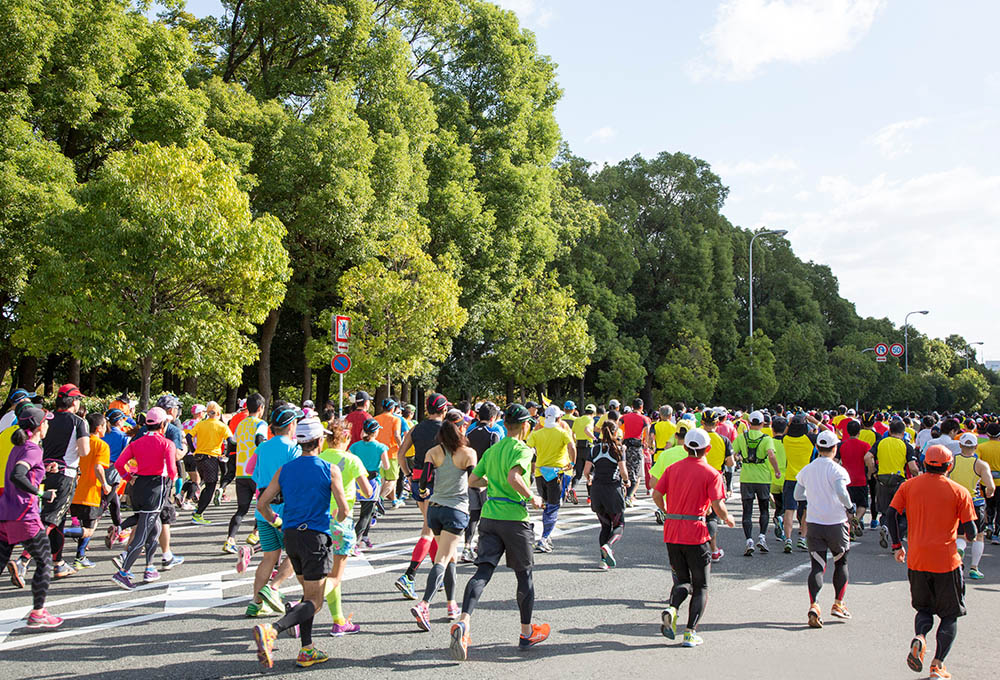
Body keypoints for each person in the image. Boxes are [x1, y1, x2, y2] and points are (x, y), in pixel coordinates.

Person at [449, 404, 548, 661]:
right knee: (524, 575)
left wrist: (492, 482)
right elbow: (515, 477)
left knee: (483, 570)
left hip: (490, 516)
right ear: (526, 426)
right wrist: (532, 496)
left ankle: (464, 621)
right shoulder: (523, 449)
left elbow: (472, 481)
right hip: (515, 518)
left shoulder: (493, 451)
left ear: (505, 424)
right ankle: (526, 633)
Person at [251, 416, 351, 669]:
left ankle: (306, 649)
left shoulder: (286, 469)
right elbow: (344, 509)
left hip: (291, 536)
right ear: (319, 441)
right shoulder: (330, 469)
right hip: (316, 537)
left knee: (308, 595)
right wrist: (337, 522)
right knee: (315, 601)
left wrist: (276, 520)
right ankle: (272, 630)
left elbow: (262, 504)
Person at [887, 445, 977, 680]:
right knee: (950, 615)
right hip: (947, 562)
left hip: (917, 560)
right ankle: (937, 664)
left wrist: (897, 545)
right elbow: (972, 532)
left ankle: (920, 637)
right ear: (949, 466)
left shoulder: (908, 486)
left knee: (924, 609)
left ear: (925, 463)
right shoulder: (959, 491)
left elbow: (891, 514)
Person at [655, 428, 735, 648]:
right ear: (707, 449)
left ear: (685, 447)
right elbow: (718, 505)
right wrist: (728, 519)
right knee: (701, 586)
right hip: (696, 531)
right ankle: (690, 633)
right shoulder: (711, 473)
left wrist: (667, 510)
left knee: (682, 580)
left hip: (672, 531)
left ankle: (672, 608)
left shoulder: (672, 469)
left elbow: (655, 493)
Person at [410, 416, 477, 630]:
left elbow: (424, 480)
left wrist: (423, 491)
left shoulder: (433, 452)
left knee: (451, 558)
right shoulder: (468, 454)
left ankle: (451, 604)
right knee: (443, 558)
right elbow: (473, 481)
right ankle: (425, 603)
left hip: (435, 509)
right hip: (456, 510)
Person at [0, 407, 63, 627]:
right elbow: (18, 475)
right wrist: (41, 493)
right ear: (38, 426)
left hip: (5, 512)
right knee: (45, 561)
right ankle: (38, 612)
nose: (48, 425)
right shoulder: (33, 449)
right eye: (46, 422)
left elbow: (22, 470)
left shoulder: (20, 447)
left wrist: (44, 469)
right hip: (24, 514)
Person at [244, 403, 304, 618]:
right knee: (296, 554)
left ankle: (255, 602)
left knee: (269, 556)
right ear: (291, 425)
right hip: (286, 510)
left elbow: (252, 473)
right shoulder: (294, 449)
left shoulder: (262, 447)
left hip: (263, 508)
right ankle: (273, 588)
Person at [792, 430, 854, 628]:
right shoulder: (837, 470)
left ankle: (814, 605)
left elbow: (797, 495)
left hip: (815, 522)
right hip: (836, 522)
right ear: (834, 448)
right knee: (841, 562)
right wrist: (850, 506)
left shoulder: (808, 469)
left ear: (817, 447)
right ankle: (838, 603)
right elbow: (841, 492)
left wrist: (814, 496)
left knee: (817, 566)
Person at [111, 407, 177, 589]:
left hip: (137, 487)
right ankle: (123, 572)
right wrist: (174, 486)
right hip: (156, 488)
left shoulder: (136, 443)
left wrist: (128, 478)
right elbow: (172, 471)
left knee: (154, 528)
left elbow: (119, 463)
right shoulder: (166, 444)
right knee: (142, 533)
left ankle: (149, 567)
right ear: (163, 424)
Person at [318, 419, 372, 635]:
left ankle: (339, 620)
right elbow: (368, 492)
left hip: (319, 520)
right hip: (341, 519)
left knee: (326, 573)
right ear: (347, 438)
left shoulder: (320, 457)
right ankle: (302, 606)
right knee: (335, 577)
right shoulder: (352, 460)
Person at [395, 393, 449, 598]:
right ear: (443, 410)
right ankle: (409, 575)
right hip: (437, 481)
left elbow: (401, 454)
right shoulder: (446, 430)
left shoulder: (416, 428)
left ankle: (439, 575)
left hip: (418, 478)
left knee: (433, 528)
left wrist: (408, 475)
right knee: (429, 530)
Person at [38, 384, 90, 579]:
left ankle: (58, 562)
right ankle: (24, 559)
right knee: (51, 518)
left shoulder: (47, 418)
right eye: (78, 400)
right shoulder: (78, 422)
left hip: (45, 471)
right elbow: (84, 451)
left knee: (57, 519)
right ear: (73, 401)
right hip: (65, 473)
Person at [526, 404, 575, 552]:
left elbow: (528, 447)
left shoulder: (537, 434)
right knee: (553, 507)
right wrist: (572, 462)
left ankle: (545, 535)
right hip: (557, 473)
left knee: (547, 505)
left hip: (541, 473)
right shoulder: (562, 432)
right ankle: (544, 538)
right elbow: (572, 446)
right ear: (559, 418)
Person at [732, 411, 780, 556]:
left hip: (746, 477)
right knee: (764, 508)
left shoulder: (742, 437)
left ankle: (749, 541)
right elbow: (771, 454)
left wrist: (740, 458)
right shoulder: (766, 439)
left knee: (747, 510)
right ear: (762, 423)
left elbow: (733, 453)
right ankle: (762, 537)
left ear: (750, 423)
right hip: (763, 477)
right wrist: (776, 470)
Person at [227, 393, 268, 562]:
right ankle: (254, 534)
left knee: (242, 509)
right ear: (260, 408)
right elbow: (259, 439)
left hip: (241, 471)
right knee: (263, 504)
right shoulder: (261, 423)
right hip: (256, 471)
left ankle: (230, 540)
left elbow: (234, 441)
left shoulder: (241, 424)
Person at [866, 419, 919, 550]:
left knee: (885, 510)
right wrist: (917, 476)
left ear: (889, 431)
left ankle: (885, 526)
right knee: (902, 512)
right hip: (898, 480)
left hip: (882, 479)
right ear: (903, 432)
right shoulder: (906, 446)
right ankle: (898, 541)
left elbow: (867, 457)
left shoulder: (880, 443)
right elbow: (913, 467)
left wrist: (873, 471)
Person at [583, 420, 628, 569]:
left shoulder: (594, 449)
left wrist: (589, 479)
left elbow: (586, 472)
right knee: (619, 524)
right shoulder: (618, 448)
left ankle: (603, 561)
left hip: (597, 490)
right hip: (612, 490)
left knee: (605, 526)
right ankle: (608, 546)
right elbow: (623, 472)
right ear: (615, 432)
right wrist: (626, 481)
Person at [69, 412, 112, 570]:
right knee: (89, 527)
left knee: (81, 524)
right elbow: (98, 467)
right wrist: (105, 484)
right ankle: (79, 556)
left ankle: (77, 555)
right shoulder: (101, 445)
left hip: (74, 490)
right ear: (99, 428)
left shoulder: (79, 442)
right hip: (91, 492)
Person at [950, 432, 995, 579]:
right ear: (975, 446)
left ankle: (959, 551)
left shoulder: (952, 461)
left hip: (955, 502)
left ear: (961, 445)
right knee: (979, 536)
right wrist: (989, 492)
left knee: (960, 534)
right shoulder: (980, 464)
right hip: (974, 502)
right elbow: (990, 486)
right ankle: (974, 568)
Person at [462, 402, 502, 563]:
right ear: (493, 418)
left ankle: (466, 547)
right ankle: (482, 547)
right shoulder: (493, 435)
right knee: (488, 514)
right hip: (486, 480)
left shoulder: (469, 434)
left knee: (473, 514)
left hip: (470, 478)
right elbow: (496, 459)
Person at [189, 402, 236, 525]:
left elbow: (189, 436)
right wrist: (227, 453)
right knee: (211, 485)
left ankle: (198, 509)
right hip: (211, 457)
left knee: (207, 483)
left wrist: (193, 449)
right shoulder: (222, 426)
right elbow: (231, 441)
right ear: (219, 413)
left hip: (198, 457)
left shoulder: (201, 424)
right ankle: (198, 514)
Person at [782, 414, 821, 553]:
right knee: (806, 509)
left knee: (789, 509)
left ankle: (787, 538)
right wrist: (815, 421)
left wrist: (789, 423)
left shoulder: (785, 439)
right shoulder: (810, 439)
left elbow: (783, 432)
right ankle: (802, 538)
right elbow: (828, 433)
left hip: (790, 477)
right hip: (807, 478)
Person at [348, 419, 389, 550]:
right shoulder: (380, 447)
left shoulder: (355, 446)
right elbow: (387, 466)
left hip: (357, 481)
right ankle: (354, 541)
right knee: (365, 514)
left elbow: (348, 460)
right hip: (372, 482)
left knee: (367, 511)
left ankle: (364, 537)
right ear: (375, 432)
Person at [838, 420, 872, 539]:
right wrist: (870, 473)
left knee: (848, 505)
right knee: (862, 504)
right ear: (859, 431)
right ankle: (857, 519)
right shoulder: (865, 445)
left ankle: (851, 529)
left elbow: (836, 462)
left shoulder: (841, 445)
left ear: (847, 431)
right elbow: (869, 460)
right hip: (861, 478)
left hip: (846, 479)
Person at [620, 398, 650, 504]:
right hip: (637, 446)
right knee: (636, 472)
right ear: (641, 407)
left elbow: (618, 426)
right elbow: (647, 432)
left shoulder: (624, 417)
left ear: (632, 406)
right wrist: (646, 445)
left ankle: (624, 493)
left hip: (625, 445)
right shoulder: (644, 419)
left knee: (624, 468)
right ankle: (629, 496)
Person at [374, 399, 402, 506]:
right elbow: (396, 435)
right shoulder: (396, 419)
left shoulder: (375, 419)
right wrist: (401, 446)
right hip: (392, 452)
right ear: (392, 408)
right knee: (393, 479)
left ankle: (393, 499)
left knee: (382, 479)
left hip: (378, 452)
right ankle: (380, 498)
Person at [568, 403, 597, 504]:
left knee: (578, 473)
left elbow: (572, 433)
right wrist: (594, 438)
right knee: (591, 472)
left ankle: (573, 489)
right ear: (593, 413)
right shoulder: (590, 419)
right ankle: (590, 497)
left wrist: (575, 441)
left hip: (578, 447)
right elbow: (587, 430)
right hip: (588, 447)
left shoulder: (578, 419)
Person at [977, 422, 1000, 542]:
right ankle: (997, 534)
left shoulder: (981, 447)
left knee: (989, 505)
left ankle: (989, 524)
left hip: (986, 481)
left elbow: (976, 463)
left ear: (987, 433)